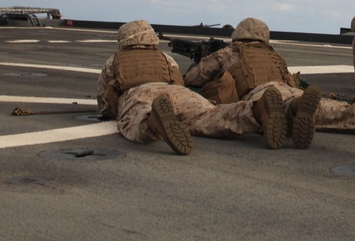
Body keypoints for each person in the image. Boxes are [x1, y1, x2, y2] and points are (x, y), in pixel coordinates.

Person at [185, 17, 355, 143]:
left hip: (262, 95)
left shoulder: (229, 52)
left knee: (240, 114)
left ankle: (292, 111)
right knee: (346, 114)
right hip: (292, 91)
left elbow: (194, 77)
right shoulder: (275, 55)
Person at [96, 20, 287, 155]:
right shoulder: (165, 58)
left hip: (139, 93)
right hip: (176, 91)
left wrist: (115, 110)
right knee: (212, 116)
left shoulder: (113, 62)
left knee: (136, 123)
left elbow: (105, 102)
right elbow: (181, 81)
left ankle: (153, 120)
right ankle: (255, 110)